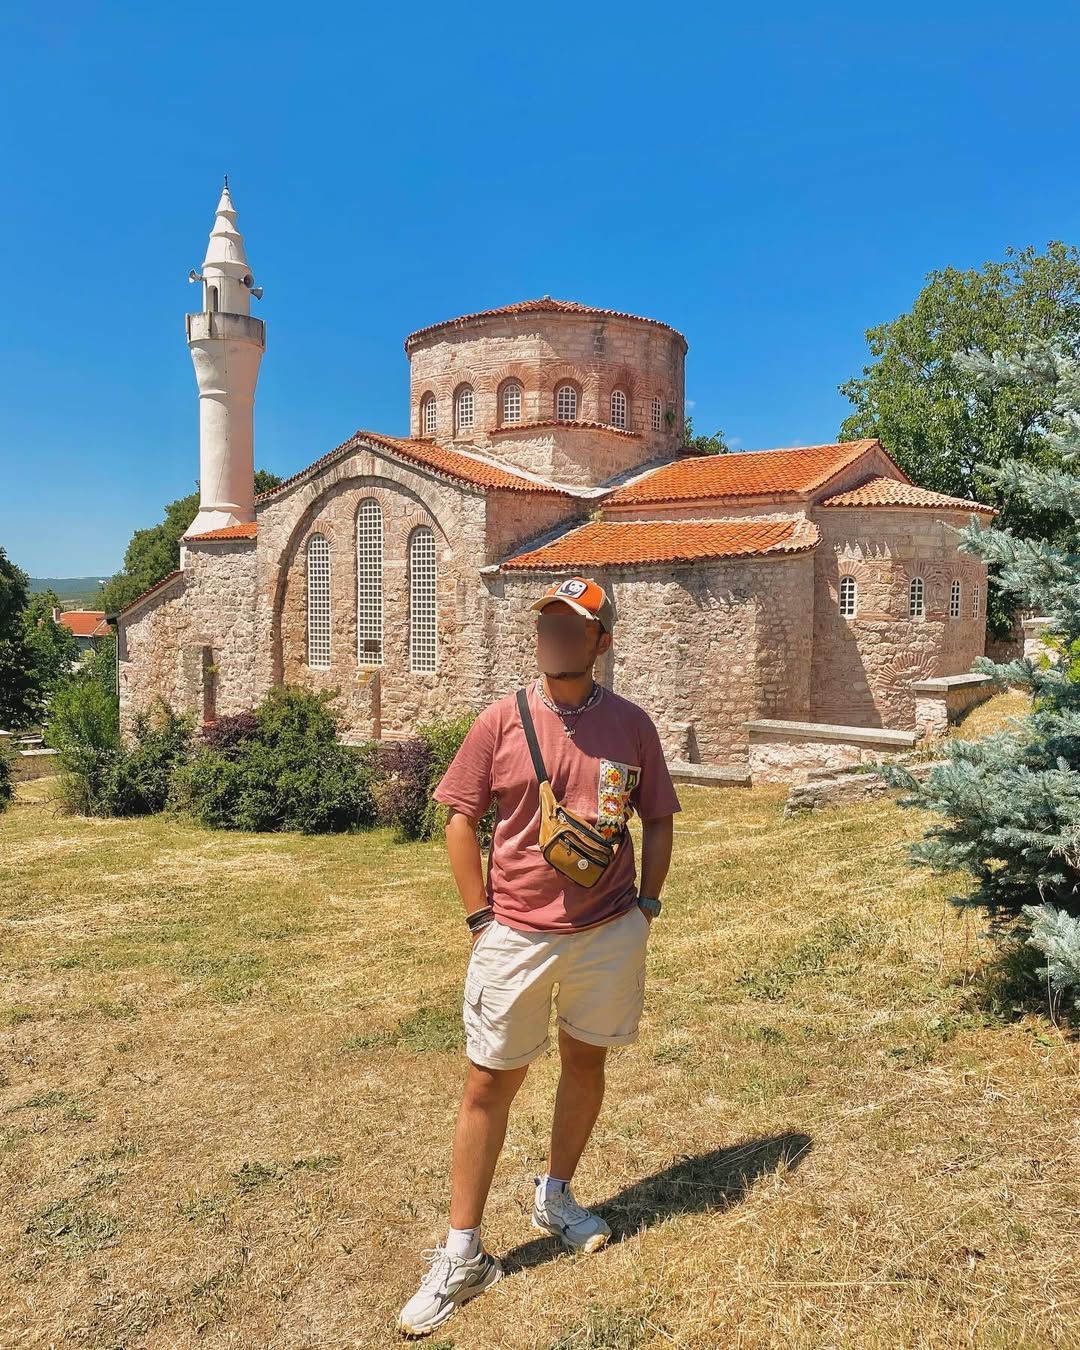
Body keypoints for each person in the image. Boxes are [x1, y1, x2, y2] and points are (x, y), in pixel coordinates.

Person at [397, 576, 682, 1338]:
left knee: (585, 1064)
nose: (556, 638)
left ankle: (555, 1194)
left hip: (607, 930)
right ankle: (463, 1253)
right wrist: (481, 918)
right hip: (515, 933)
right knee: (489, 1082)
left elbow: (658, 818)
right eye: (547, 626)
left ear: (602, 641)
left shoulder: (632, 725)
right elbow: (460, 818)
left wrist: (646, 907)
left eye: (573, 627)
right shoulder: (501, 719)